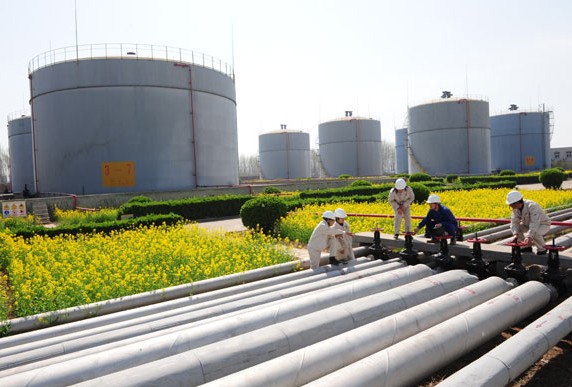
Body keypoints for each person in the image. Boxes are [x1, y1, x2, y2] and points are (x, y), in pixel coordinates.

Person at [506, 190, 550, 255]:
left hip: (543, 224)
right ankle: (525, 247)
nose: (511, 206)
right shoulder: (515, 209)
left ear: (517, 202)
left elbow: (535, 223)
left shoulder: (532, 206)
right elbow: (514, 221)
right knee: (519, 227)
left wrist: (529, 236)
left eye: (511, 204)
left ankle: (542, 249)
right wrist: (515, 234)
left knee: (535, 233)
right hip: (528, 225)